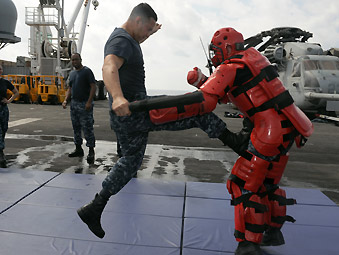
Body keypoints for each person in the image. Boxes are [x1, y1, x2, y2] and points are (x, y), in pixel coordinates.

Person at [77, 4, 250, 239]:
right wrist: (117, 96)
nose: (148, 34)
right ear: (138, 21)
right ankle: (236, 142)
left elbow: (130, 49)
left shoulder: (128, 38)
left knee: (129, 162)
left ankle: (94, 208)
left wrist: (151, 31)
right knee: (196, 108)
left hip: (125, 119)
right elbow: (108, 66)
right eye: (147, 29)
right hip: (138, 111)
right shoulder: (122, 41)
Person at [169, 27, 312, 255]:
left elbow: (209, 101)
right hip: (289, 127)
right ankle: (273, 232)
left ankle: (248, 244)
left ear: (225, 47)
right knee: (267, 184)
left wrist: (156, 107)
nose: (214, 56)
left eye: (216, 51)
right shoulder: (255, 60)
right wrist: (204, 80)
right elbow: (236, 94)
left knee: (242, 184)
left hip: (269, 131)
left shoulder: (233, 65)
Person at [62, 53, 97, 164]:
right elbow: (70, 88)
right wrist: (65, 100)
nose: (74, 62)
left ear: (80, 59)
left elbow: (93, 86)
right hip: (74, 105)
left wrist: (89, 102)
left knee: (87, 128)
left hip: (84, 104)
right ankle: (78, 149)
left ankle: (91, 150)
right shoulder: (72, 74)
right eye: (72, 60)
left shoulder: (87, 71)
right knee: (76, 128)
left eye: (76, 59)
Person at [0, 64, 19, 168]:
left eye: (0, 69)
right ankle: (0, 152)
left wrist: (8, 101)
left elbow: (16, 93)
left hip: (3, 109)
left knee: (4, 129)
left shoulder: (5, 82)